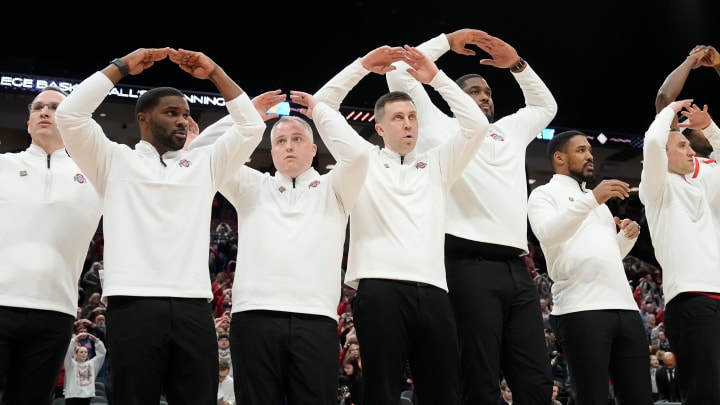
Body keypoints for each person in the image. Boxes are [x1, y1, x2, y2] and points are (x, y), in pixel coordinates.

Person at [54, 48, 266, 405]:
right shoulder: (112, 160)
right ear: (143, 119)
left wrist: (215, 72)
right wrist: (121, 67)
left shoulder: (206, 163)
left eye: (185, 114)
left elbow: (251, 126)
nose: (183, 121)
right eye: (171, 113)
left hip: (194, 305)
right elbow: (71, 115)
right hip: (132, 302)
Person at [385, 29, 557, 405]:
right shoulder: (436, 125)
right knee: (480, 380)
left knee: (536, 381)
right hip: (467, 262)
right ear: (454, 96)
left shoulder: (509, 130)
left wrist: (517, 65)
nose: (484, 97)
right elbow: (397, 70)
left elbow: (546, 107)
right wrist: (448, 41)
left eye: (488, 93)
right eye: (474, 91)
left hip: (517, 267)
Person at [314, 43, 489, 405]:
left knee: (444, 393)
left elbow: (476, 126)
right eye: (397, 118)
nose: (408, 123)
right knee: (381, 392)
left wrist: (436, 77)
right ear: (379, 127)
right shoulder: (362, 161)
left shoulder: (438, 164)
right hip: (380, 290)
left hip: (435, 292)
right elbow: (321, 104)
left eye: (412, 116)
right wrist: (362, 65)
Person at [191, 88, 370, 405]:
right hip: (253, 317)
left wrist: (320, 113)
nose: (288, 146)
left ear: (314, 149)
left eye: (297, 139)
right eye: (280, 141)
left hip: (316, 319)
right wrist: (246, 116)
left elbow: (358, 155)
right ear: (271, 151)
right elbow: (202, 154)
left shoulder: (336, 187)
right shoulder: (251, 186)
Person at [527, 130, 652, 405]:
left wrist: (625, 237)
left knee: (640, 398)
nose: (590, 156)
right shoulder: (543, 195)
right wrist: (592, 199)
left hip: (626, 308)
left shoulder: (596, 203)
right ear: (559, 158)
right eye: (581, 150)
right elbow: (547, 233)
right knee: (592, 398)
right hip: (580, 309)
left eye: (590, 151)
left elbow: (609, 254)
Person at [0, 86, 103, 405]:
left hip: (55, 310)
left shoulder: (97, 176)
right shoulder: (2, 164)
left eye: (56, 108)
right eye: (38, 107)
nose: (44, 112)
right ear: (28, 122)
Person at [638, 99, 720, 404]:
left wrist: (709, 128)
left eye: (690, 145)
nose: (691, 151)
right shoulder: (657, 187)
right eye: (683, 145)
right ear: (664, 154)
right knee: (704, 393)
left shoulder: (700, 186)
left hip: (715, 295)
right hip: (690, 300)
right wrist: (669, 111)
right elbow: (652, 140)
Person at [63, 332, 107, 405]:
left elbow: (102, 353)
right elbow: (67, 352)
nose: (84, 354)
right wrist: (76, 339)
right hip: (73, 395)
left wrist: (96, 341)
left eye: (85, 352)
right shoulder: (70, 364)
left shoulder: (92, 364)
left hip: (87, 395)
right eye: (81, 352)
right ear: (76, 354)